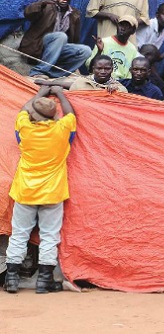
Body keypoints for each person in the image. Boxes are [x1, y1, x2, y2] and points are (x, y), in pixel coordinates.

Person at [4, 86, 76, 294]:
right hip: (53, 192)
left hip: (25, 190)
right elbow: (70, 114)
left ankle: (12, 280)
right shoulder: (61, 131)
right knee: (50, 236)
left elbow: (22, 111)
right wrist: (60, 93)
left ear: (34, 116)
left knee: (19, 235)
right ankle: (44, 281)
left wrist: (41, 92)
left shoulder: (25, 129)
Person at [19, 0, 92, 79]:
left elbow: (74, 39)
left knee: (86, 50)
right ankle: (38, 71)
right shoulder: (46, 7)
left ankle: (56, 75)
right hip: (38, 45)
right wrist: (42, 2)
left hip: (57, 48)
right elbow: (28, 14)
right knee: (61, 36)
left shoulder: (74, 14)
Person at [86, 15, 140, 80]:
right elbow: (90, 67)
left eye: (127, 26)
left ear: (133, 31)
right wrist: (99, 52)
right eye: (121, 25)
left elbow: (130, 75)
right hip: (101, 80)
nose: (122, 28)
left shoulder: (132, 49)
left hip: (121, 83)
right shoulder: (103, 42)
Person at [36, 55, 127, 93]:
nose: (103, 71)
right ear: (93, 69)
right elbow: (72, 88)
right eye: (99, 68)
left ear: (112, 69)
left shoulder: (117, 87)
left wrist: (116, 90)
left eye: (107, 69)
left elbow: (124, 93)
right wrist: (50, 84)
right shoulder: (82, 81)